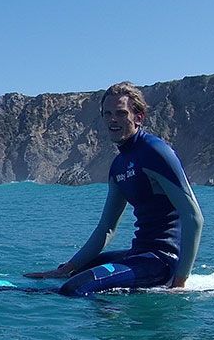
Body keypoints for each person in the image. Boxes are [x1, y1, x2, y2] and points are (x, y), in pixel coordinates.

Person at [25, 82, 203, 296]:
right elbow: (106, 228)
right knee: (74, 272)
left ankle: (109, 315)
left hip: (162, 261)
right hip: (139, 254)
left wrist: (180, 281)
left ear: (138, 117)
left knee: (76, 287)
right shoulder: (118, 165)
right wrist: (65, 269)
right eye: (107, 114)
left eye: (121, 113)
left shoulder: (156, 152)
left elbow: (193, 216)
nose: (113, 119)